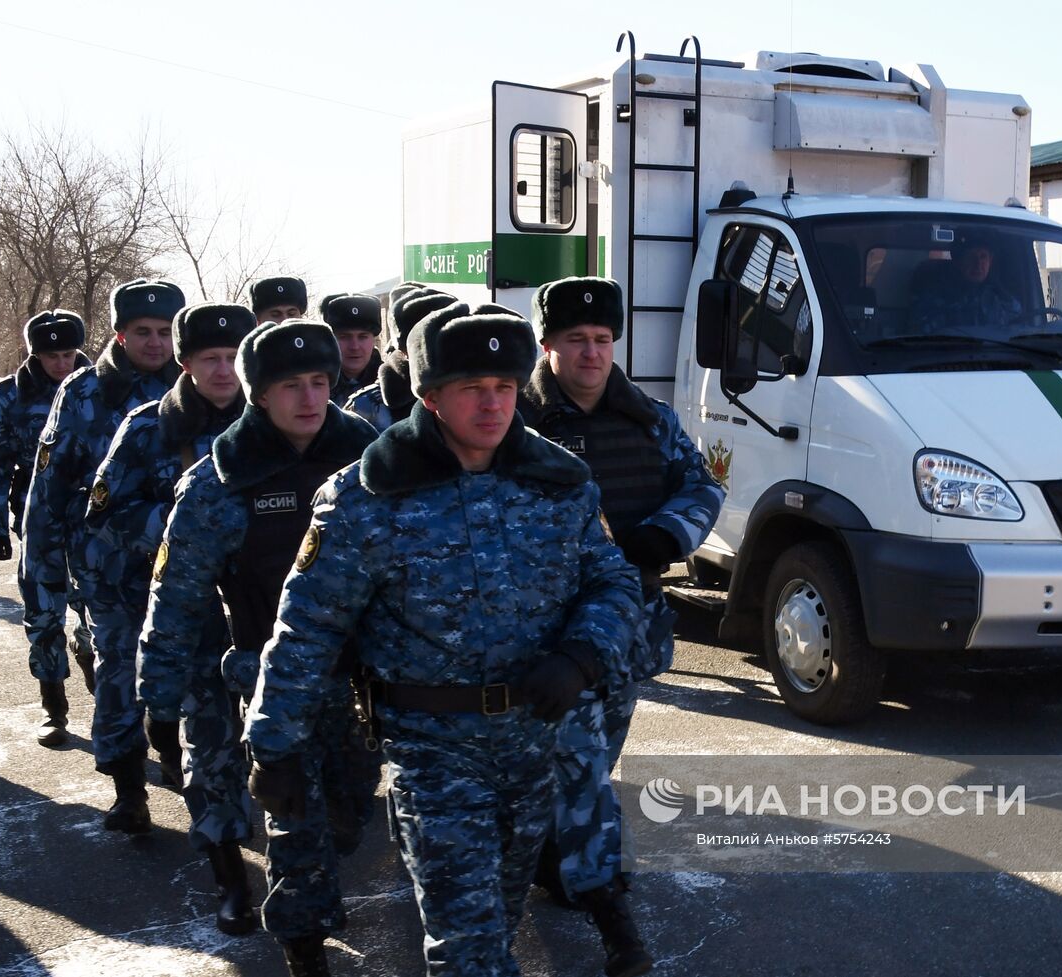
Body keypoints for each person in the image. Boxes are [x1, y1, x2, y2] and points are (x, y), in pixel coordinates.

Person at [245, 302, 643, 977]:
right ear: (430, 396)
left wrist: (581, 656)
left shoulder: (558, 481)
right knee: (471, 951)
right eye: (471, 390)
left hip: (531, 746)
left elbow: (614, 583)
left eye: (505, 389)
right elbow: (307, 626)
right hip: (432, 751)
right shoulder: (367, 494)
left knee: (501, 917)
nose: (492, 406)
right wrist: (273, 743)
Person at [138, 318, 380, 973]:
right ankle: (303, 943)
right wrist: (157, 697)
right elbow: (177, 594)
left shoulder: (374, 458)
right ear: (260, 394)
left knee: (352, 812)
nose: (308, 397)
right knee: (295, 824)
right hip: (273, 682)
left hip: (363, 680)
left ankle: (322, 871)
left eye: (320, 382)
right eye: (289, 385)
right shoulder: (221, 481)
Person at [520, 277, 725, 977]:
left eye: (603, 340)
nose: (591, 354)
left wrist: (666, 535)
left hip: (629, 623)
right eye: (575, 341)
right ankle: (608, 902)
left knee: (597, 752)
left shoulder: (649, 418)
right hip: (551, 628)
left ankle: (556, 851)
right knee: (579, 767)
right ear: (548, 345)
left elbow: (703, 484)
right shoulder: (512, 421)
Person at [85, 303, 254, 910]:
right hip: (187, 615)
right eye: (211, 358)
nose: (224, 370)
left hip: (263, 617)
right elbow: (102, 527)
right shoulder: (146, 429)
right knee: (209, 743)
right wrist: (182, 524)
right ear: (186, 363)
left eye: (235, 357)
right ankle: (228, 868)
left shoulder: (278, 422)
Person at [20, 279, 184, 777]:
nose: (155, 342)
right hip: (105, 559)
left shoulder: (197, 385)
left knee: (181, 661)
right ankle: (127, 782)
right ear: (119, 335)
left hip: (181, 559)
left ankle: (174, 751)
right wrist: (41, 562)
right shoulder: (84, 392)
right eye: (142, 331)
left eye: (163, 331)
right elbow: (48, 485)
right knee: (119, 666)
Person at [0, 310, 95, 746]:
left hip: (94, 520)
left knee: (98, 611)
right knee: (43, 615)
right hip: (38, 517)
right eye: (51, 355)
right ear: (35, 355)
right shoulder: (10, 396)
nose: (62, 363)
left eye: (68, 353)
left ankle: (97, 675)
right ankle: (54, 707)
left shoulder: (102, 389)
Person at [344, 283, 456, 432]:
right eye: (423, 345)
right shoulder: (366, 408)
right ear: (403, 348)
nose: (438, 352)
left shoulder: (477, 399)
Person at [908, 236, 1022, 332]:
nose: (978, 264)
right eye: (971, 257)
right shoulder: (937, 295)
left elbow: (1019, 321)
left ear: (990, 261)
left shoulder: (997, 297)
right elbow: (920, 333)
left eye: (983, 257)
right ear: (958, 261)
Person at [320, 292, 384, 406]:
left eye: (362, 337)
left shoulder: (393, 385)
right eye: (344, 337)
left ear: (374, 339)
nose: (354, 346)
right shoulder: (316, 386)